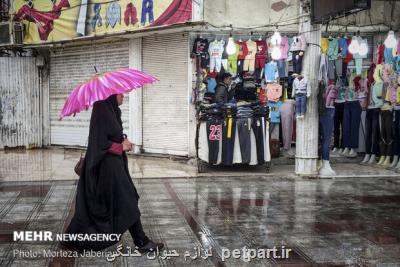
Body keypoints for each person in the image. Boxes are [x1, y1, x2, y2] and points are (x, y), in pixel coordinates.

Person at [62, 94, 164, 252]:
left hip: (114, 165)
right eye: (120, 93)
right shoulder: (102, 111)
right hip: (106, 168)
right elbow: (99, 142)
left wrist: (124, 141)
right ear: (110, 96)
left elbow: (112, 135)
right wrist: (120, 147)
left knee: (114, 201)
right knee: (127, 199)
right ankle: (141, 241)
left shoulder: (112, 110)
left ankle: (71, 238)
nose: (123, 96)